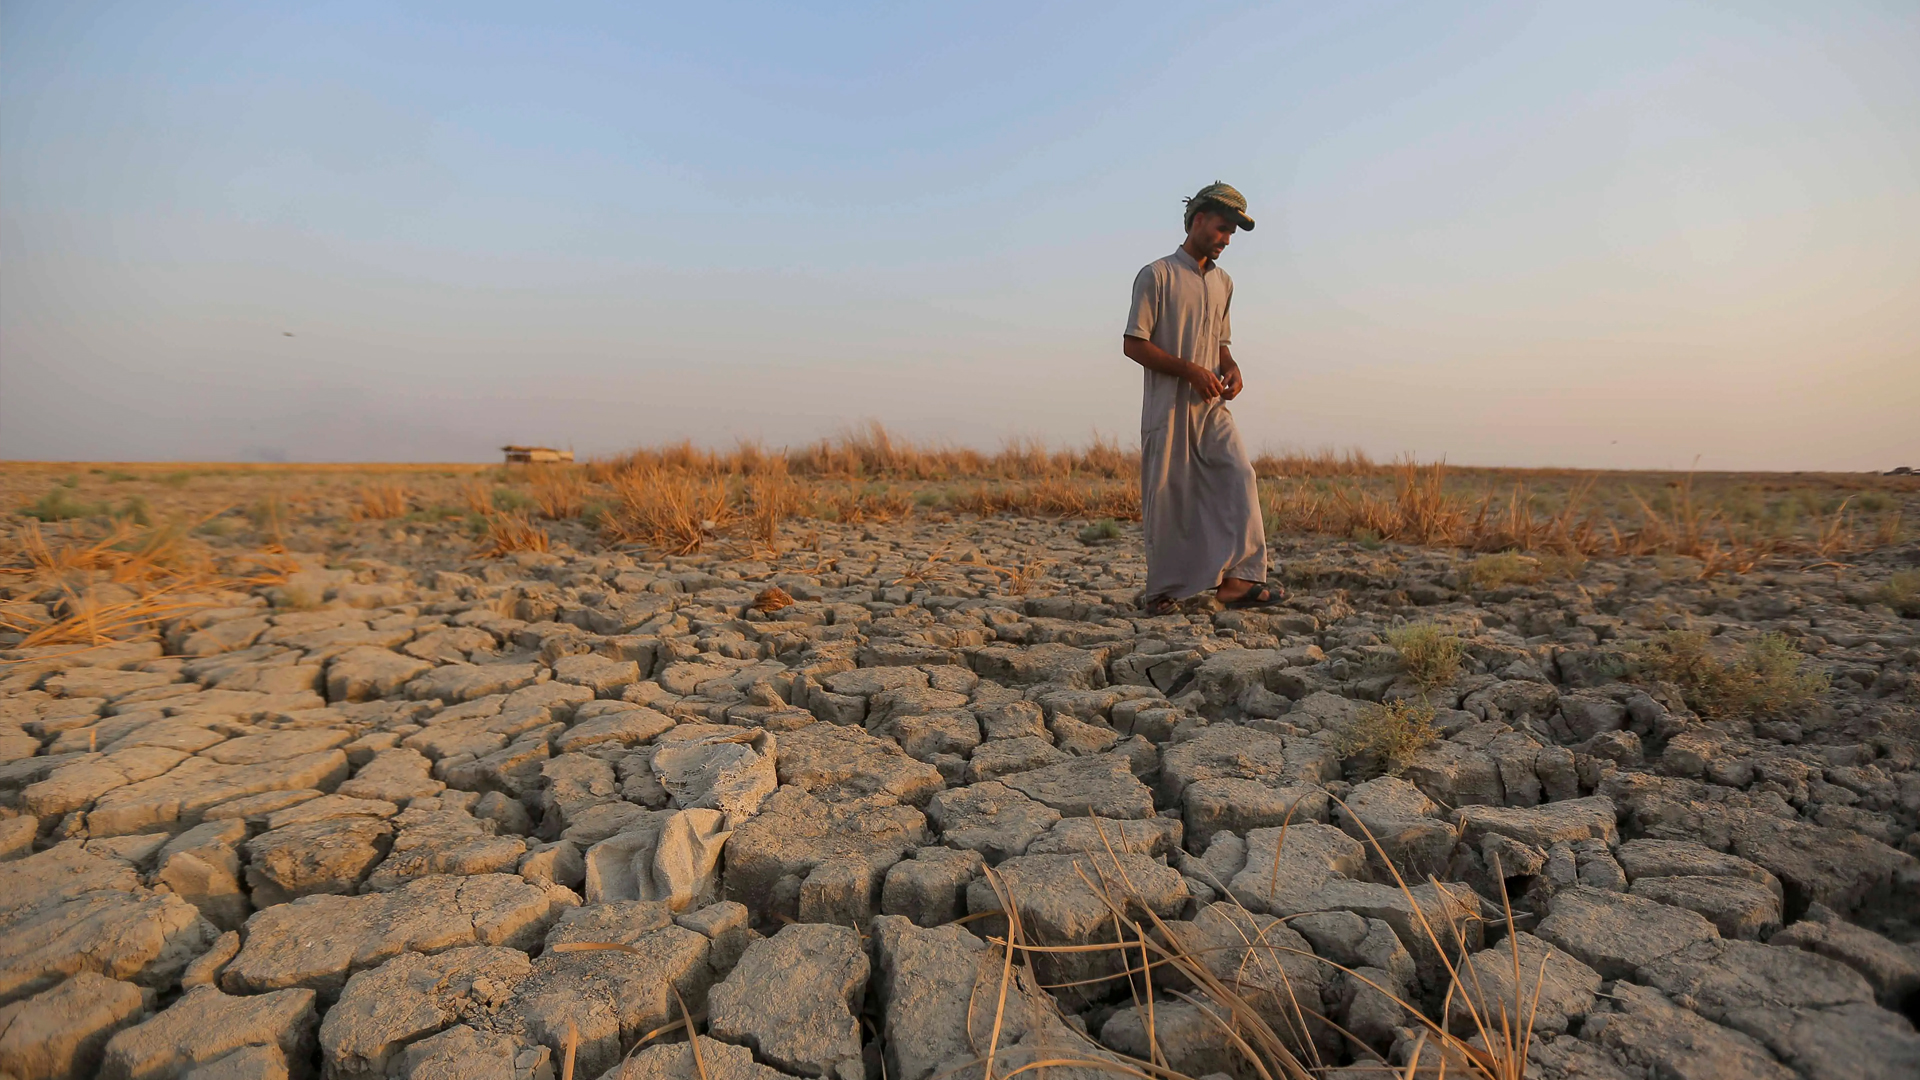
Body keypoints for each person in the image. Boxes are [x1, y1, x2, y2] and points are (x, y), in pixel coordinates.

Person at [1123, 181, 1278, 615]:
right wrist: (1189, 370)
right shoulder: (1157, 275)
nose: (1226, 239)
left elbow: (1220, 341)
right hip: (1168, 405)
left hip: (1211, 407)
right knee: (1169, 494)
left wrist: (1230, 365)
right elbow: (1133, 344)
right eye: (1222, 228)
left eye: (1232, 233)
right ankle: (1163, 592)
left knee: (1239, 475)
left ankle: (1239, 580)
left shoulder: (1224, 283)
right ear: (1197, 221)